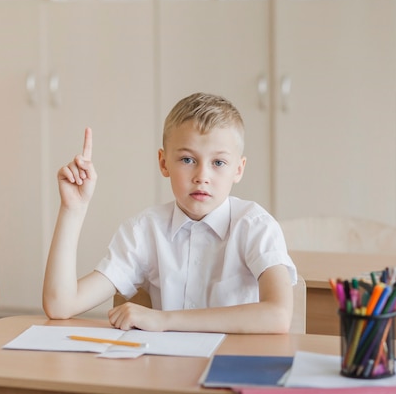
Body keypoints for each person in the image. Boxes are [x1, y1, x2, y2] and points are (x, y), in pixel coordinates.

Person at [43, 92, 297, 334]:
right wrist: (73, 209)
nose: (202, 177)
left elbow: (278, 315)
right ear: (164, 163)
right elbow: (60, 305)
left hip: (235, 367)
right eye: (187, 160)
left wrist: (164, 320)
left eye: (218, 163)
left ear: (238, 170)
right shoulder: (144, 231)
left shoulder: (255, 225)